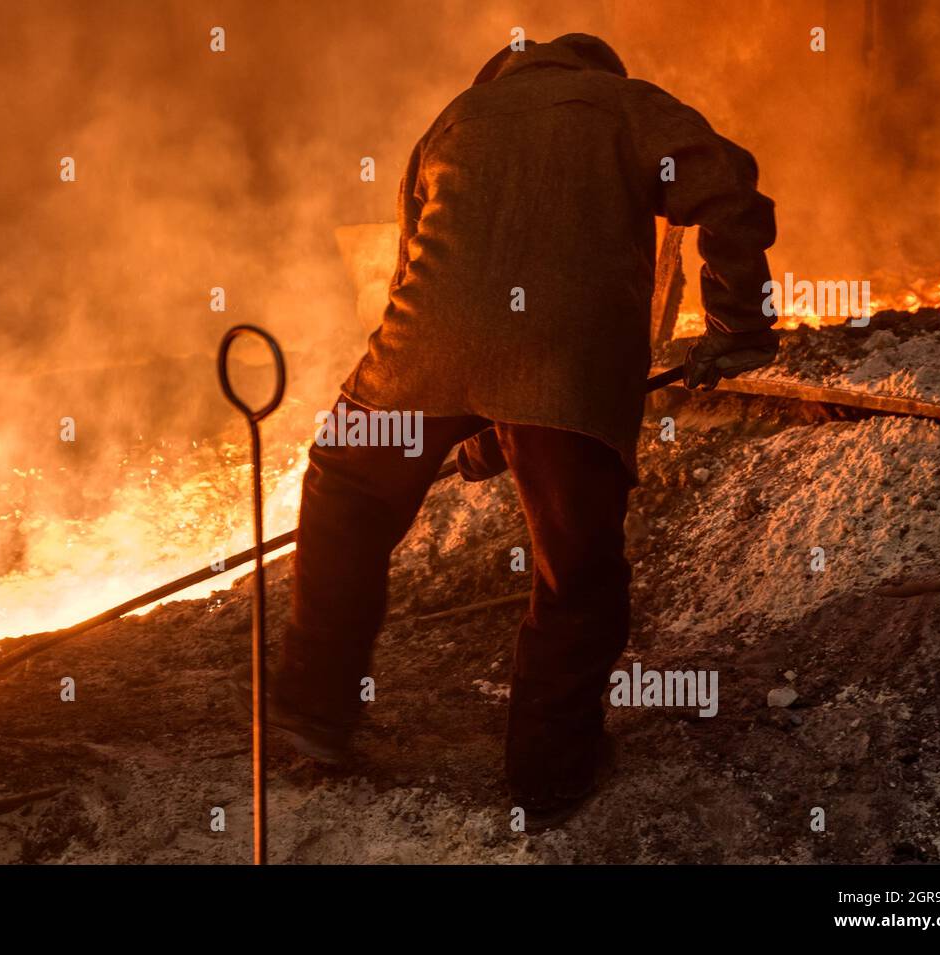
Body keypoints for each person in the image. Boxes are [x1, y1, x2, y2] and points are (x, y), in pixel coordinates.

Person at [235, 32, 778, 830]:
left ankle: (313, 711)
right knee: (576, 572)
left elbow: (426, 282)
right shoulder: (626, 105)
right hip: (569, 370)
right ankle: (548, 773)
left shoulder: (455, 119)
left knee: (345, 491)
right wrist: (736, 323)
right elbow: (729, 189)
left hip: (416, 357)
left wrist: (468, 428)